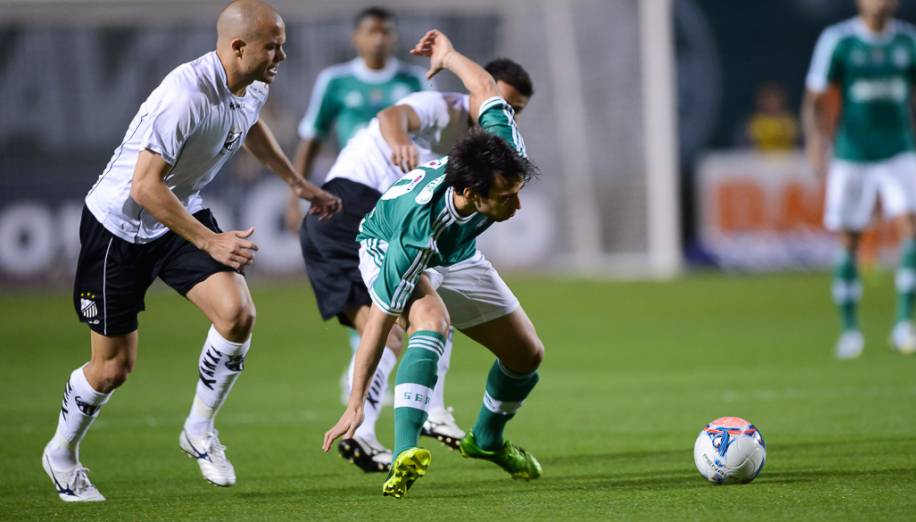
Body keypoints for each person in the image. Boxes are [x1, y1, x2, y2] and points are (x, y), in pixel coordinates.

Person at [41, 0, 341, 502]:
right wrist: (209, 240)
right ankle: (61, 453)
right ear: (237, 46)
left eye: (283, 45)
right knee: (113, 368)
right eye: (274, 46)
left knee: (237, 314)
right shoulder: (185, 95)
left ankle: (198, 430)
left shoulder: (254, 82)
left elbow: (250, 127)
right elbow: (143, 187)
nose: (281, 56)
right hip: (119, 225)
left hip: (178, 209)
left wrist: (296, 182)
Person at [323, 29, 544, 499]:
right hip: (386, 242)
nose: (517, 207)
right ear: (471, 194)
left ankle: (486, 440)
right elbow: (380, 323)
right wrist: (356, 403)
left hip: (458, 252)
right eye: (507, 199)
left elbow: (484, 89)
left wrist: (449, 55)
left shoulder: (503, 151)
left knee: (527, 355)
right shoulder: (416, 229)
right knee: (430, 320)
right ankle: (405, 452)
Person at [803, 0, 916, 359]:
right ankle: (850, 331)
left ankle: (904, 324)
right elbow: (815, 95)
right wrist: (816, 141)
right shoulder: (838, 40)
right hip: (852, 154)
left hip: (900, 148)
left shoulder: (908, 40)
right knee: (849, 238)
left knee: (912, 226)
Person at [287, 6, 428, 231]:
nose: (379, 39)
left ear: (395, 38)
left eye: (386, 32)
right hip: (353, 181)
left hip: (402, 182)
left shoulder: (415, 80)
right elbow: (311, 139)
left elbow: (433, 135)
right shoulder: (335, 81)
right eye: (372, 32)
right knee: (353, 253)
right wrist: (294, 200)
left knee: (404, 260)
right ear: (356, 38)